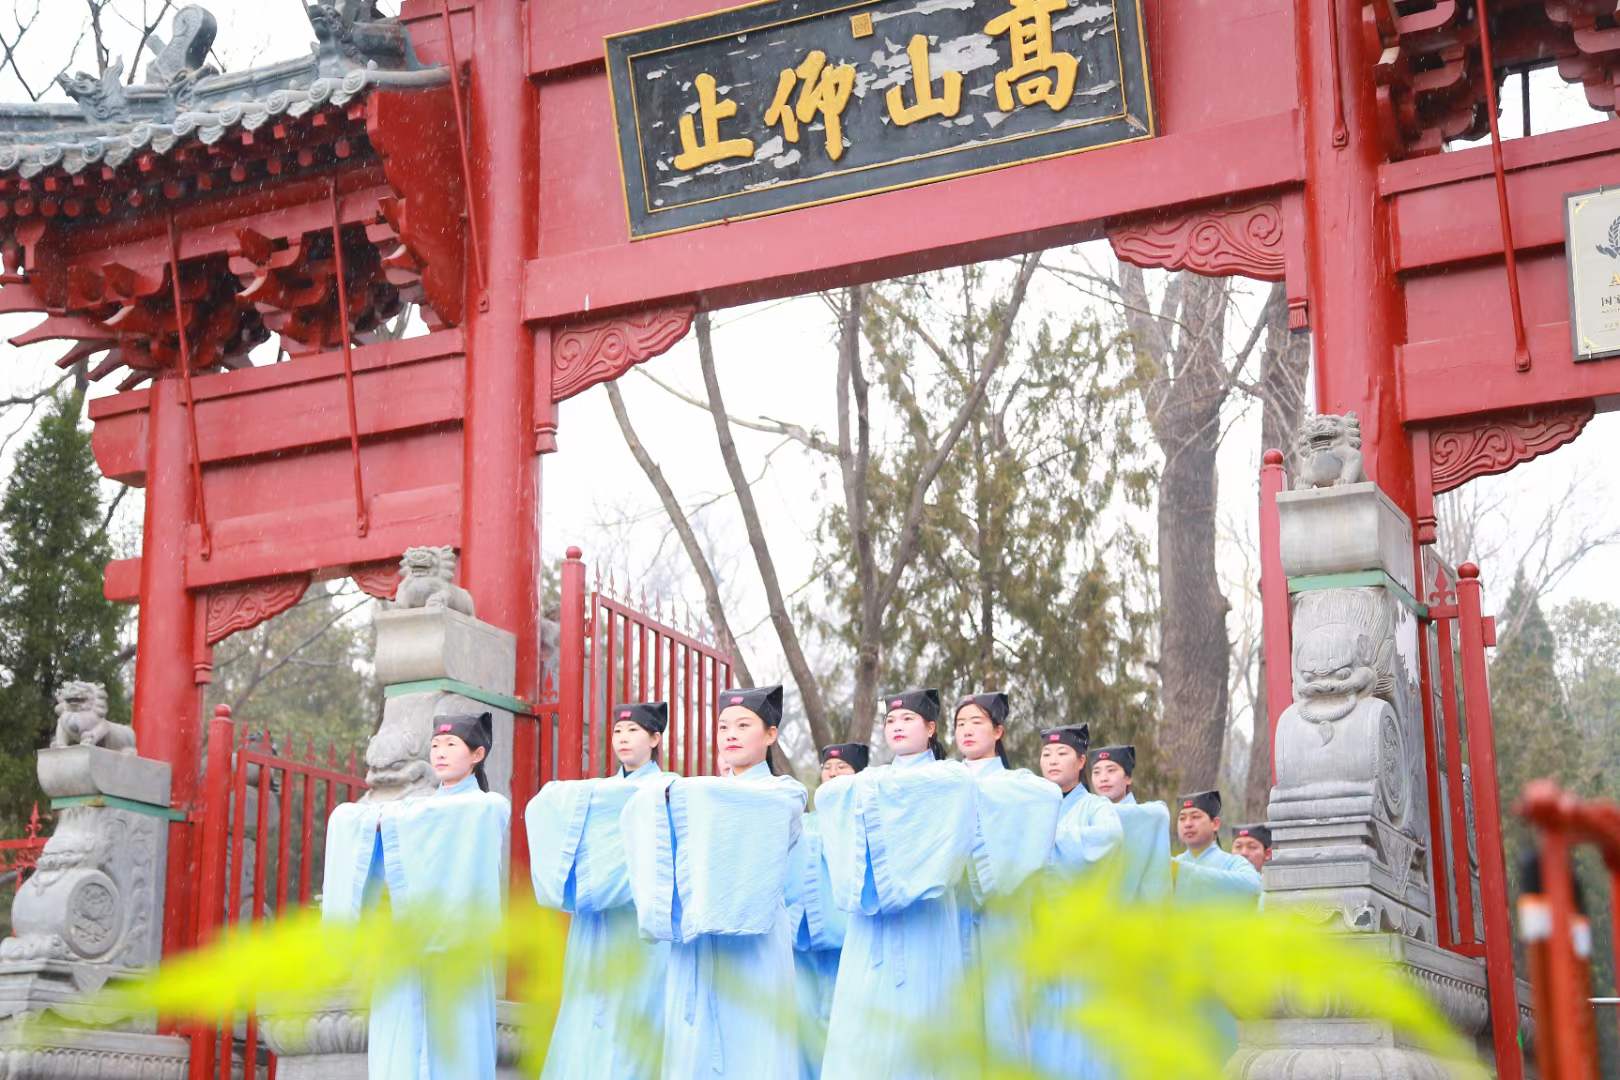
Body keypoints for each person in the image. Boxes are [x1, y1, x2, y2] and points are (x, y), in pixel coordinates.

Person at [622, 685, 806, 1079]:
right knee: (695, 1046)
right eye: (724, 727)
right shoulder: (697, 796)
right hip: (697, 936)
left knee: (754, 1041)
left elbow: (755, 814)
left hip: (755, 942)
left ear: (771, 734)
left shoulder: (783, 792)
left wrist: (679, 795)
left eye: (744, 725)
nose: (731, 735)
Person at [321, 712, 510, 1080]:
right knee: (400, 1046)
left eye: (451, 745)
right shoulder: (409, 811)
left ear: (477, 754)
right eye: (435, 745)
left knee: (457, 1044)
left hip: (458, 950)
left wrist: (387, 823)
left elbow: (443, 827)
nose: (439, 753)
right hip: (406, 948)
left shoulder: (487, 807)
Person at [818, 688, 976, 1080]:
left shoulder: (949, 776)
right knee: (863, 1025)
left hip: (926, 922)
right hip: (872, 923)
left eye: (908, 719)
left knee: (923, 1017)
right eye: (890, 721)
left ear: (931, 728)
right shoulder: (873, 779)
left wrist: (869, 797)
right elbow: (829, 797)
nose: (897, 727)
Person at [527, 702, 672, 1080]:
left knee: (634, 1010)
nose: (623, 739)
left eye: (634, 731)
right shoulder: (593, 794)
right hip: (595, 924)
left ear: (655, 739)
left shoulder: (667, 790)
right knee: (587, 1007)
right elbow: (546, 806)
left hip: (639, 926)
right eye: (618, 732)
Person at [952, 692, 1059, 1067]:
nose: (966, 730)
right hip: (951, 913)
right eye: (960, 723)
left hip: (1001, 916)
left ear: (998, 731)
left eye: (976, 722)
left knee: (1003, 1012)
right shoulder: (944, 780)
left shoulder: (1021, 785)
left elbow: (1044, 806)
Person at [1028, 723, 1123, 1078]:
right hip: (1036, 934)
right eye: (1046, 754)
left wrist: (1049, 838)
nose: (1052, 760)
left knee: (1082, 1032)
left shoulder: (1097, 808)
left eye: (1062, 753)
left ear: (1081, 760)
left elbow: (1108, 840)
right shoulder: (1032, 804)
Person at [786, 742, 870, 1079]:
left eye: (842, 768)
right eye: (828, 768)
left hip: (845, 939)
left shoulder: (864, 822)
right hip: (802, 941)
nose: (833, 774)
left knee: (846, 1025)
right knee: (802, 1024)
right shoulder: (806, 821)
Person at [1087, 744, 1170, 902]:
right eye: (1096, 772)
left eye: (1111, 770)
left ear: (1128, 778)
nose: (1103, 778)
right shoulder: (1088, 814)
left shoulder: (1148, 817)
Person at [1171, 790, 1262, 904]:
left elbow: (1253, 885)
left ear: (1215, 824)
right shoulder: (1173, 864)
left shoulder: (1233, 863)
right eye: (1182, 818)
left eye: (1195, 816)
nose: (1188, 824)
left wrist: (1186, 871)